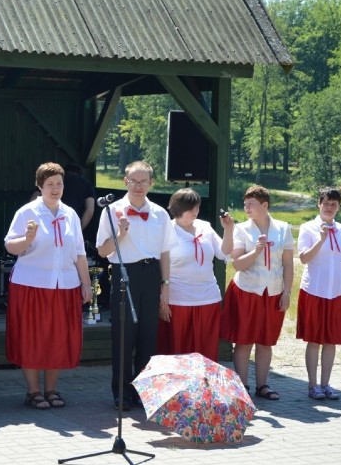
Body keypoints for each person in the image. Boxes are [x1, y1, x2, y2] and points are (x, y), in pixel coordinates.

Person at [5, 162, 92, 409]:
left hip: (64, 285)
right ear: (39, 186)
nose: (55, 189)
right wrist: (27, 239)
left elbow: (79, 253)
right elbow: (10, 246)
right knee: (32, 337)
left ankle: (52, 389)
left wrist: (85, 285)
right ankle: (33, 392)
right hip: (31, 284)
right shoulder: (27, 212)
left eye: (59, 184)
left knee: (56, 338)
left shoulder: (71, 214)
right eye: (50, 184)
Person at [96, 161, 177, 410]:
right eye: (134, 181)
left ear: (151, 183)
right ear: (125, 182)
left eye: (144, 181)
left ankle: (144, 391)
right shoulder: (111, 211)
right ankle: (121, 393)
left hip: (152, 273)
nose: (139, 186)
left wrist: (165, 285)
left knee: (147, 335)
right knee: (124, 335)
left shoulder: (161, 214)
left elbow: (165, 253)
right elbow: (102, 250)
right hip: (124, 272)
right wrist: (120, 235)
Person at [220, 185, 294, 401]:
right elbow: (238, 264)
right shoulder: (242, 229)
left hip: (273, 291)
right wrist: (257, 251)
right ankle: (242, 386)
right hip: (247, 290)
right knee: (244, 341)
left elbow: (288, 264)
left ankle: (263, 385)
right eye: (245, 204)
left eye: (251, 204)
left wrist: (287, 292)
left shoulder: (283, 228)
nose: (247, 208)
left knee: (266, 341)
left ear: (265, 205)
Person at [296, 187, 341, 400]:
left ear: (338, 207)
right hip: (314, 289)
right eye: (326, 203)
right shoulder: (308, 227)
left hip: (337, 291)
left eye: (334, 204)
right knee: (314, 340)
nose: (330, 207)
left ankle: (326, 384)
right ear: (319, 204)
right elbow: (304, 258)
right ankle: (312, 385)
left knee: (331, 340)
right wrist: (321, 239)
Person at [157, 188, 233, 361]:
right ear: (177, 209)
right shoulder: (166, 229)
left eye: (197, 207)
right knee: (178, 350)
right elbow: (161, 265)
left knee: (206, 351)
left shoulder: (204, 226)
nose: (195, 212)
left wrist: (228, 229)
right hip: (178, 299)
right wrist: (163, 298)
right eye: (190, 209)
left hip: (208, 297)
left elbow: (223, 253)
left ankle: (203, 386)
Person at [61, 163, 96, 232]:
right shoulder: (86, 184)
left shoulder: (54, 182)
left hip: (53, 222)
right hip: (74, 223)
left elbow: (35, 197)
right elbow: (90, 210)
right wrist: (79, 230)